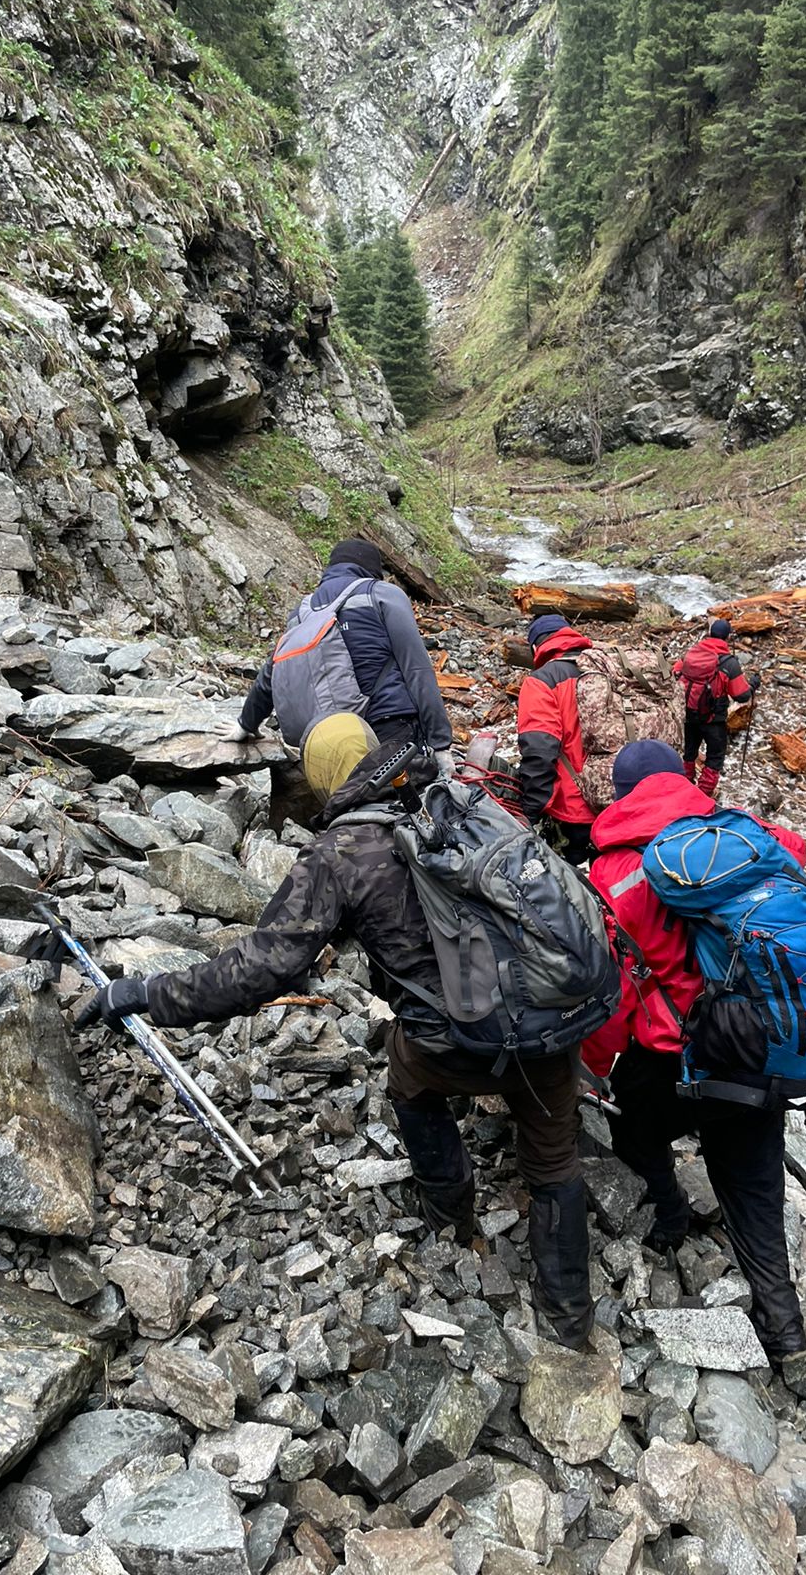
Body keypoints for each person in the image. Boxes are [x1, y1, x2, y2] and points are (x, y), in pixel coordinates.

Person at [76, 714, 596, 1350]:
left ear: (325, 778)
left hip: (455, 1042)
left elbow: (260, 970)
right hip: (551, 1015)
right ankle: (570, 1320)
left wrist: (145, 993)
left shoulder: (338, 855)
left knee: (410, 1085)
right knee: (553, 1159)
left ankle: (450, 1215)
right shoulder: (459, 799)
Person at [581, 738, 806, 1373]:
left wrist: (596, 1065)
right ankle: (784, 1329)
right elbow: (797, 851)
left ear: (624, 796)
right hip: (755, 1047)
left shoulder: (616, 873)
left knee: (632, 1126)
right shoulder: (741, 838)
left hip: (675, 1061)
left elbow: (617, 991)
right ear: (679, 781)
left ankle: (668, 1215)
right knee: (755, 1186)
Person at [224, 537, 455, 773]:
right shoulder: (381, 594)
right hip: (388, 730)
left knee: (348, 804)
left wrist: (246, 724)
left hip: (328, 743)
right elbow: (416, 669)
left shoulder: (302, 613)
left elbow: (269, 675)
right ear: (372, 571)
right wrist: (441, 744)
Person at [517, 613, 597, 863]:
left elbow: (540, 752)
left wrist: (530, 813)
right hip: (625, 797)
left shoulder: (542, 681)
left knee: (578, 883)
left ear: (534, 647)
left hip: (577, 808)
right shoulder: (605, 668)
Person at [673, 618, 759, 797]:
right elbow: (741, 695)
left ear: (710, 633)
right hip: (713, 720)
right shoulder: (729, 664)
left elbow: (675, 673)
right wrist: (753, 685)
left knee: (688, 752)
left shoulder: (692, 654)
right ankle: (703, 794)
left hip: (688, 714)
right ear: (727, 638)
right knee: (715, 758)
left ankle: (684, 787)